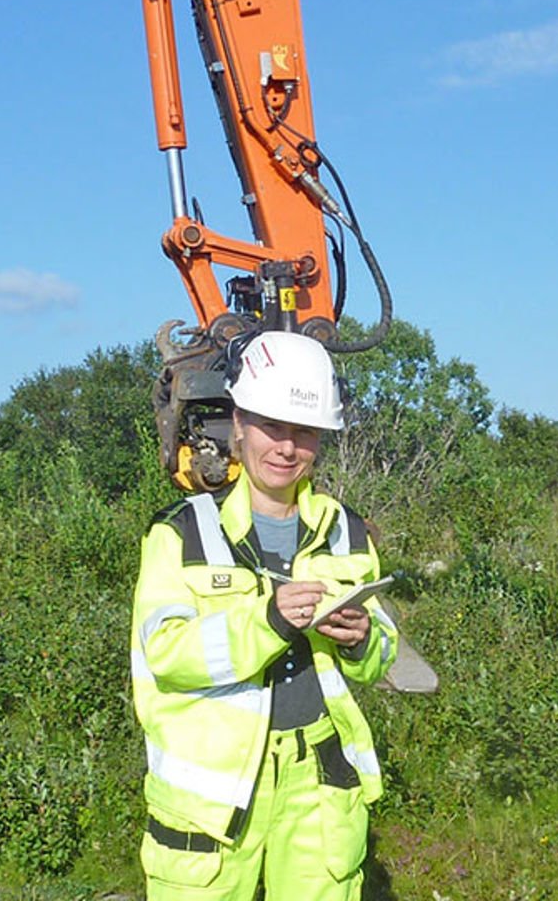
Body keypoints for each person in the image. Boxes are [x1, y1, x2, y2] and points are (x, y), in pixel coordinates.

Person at [130, 330, 398, 901]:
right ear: (240, 423)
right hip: (212, 798)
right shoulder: (182, 533)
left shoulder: (346, 532)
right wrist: (267, 623)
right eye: (272, 426)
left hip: (320, 785)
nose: (286, 447)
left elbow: (383, 651)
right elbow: (166, 654)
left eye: (303, 431)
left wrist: (360, 640)